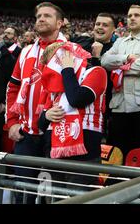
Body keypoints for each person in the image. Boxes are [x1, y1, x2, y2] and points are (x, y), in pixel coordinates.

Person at [5, 2, 67, 204]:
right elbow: (12, 87)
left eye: (47, 16)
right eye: (38, 16)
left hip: (56, 133)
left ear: (59, 23)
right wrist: (12, 122)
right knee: (23, 193)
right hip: (25, 134)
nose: (40, 19)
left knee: (52, 194)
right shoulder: (25, 52)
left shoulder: (70, 50)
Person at [38, 42, 107, 188]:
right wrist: (46, 115)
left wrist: (67, 69)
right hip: (54, 152)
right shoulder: (54, 84)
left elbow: (77, 99)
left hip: (84, 152)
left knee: (77, 199)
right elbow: (40, 125)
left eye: (56, 60)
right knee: (53, 198)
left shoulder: (96, 71)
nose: (53, 68)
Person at [101, 4, 140, 160]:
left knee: (138, 156)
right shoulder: (120, 42)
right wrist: (126, 58)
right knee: (115, 156)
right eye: (130, 16)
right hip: (118, 107)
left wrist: (119, 66)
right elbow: (105, 61)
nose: (132, 18)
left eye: (136, 15)